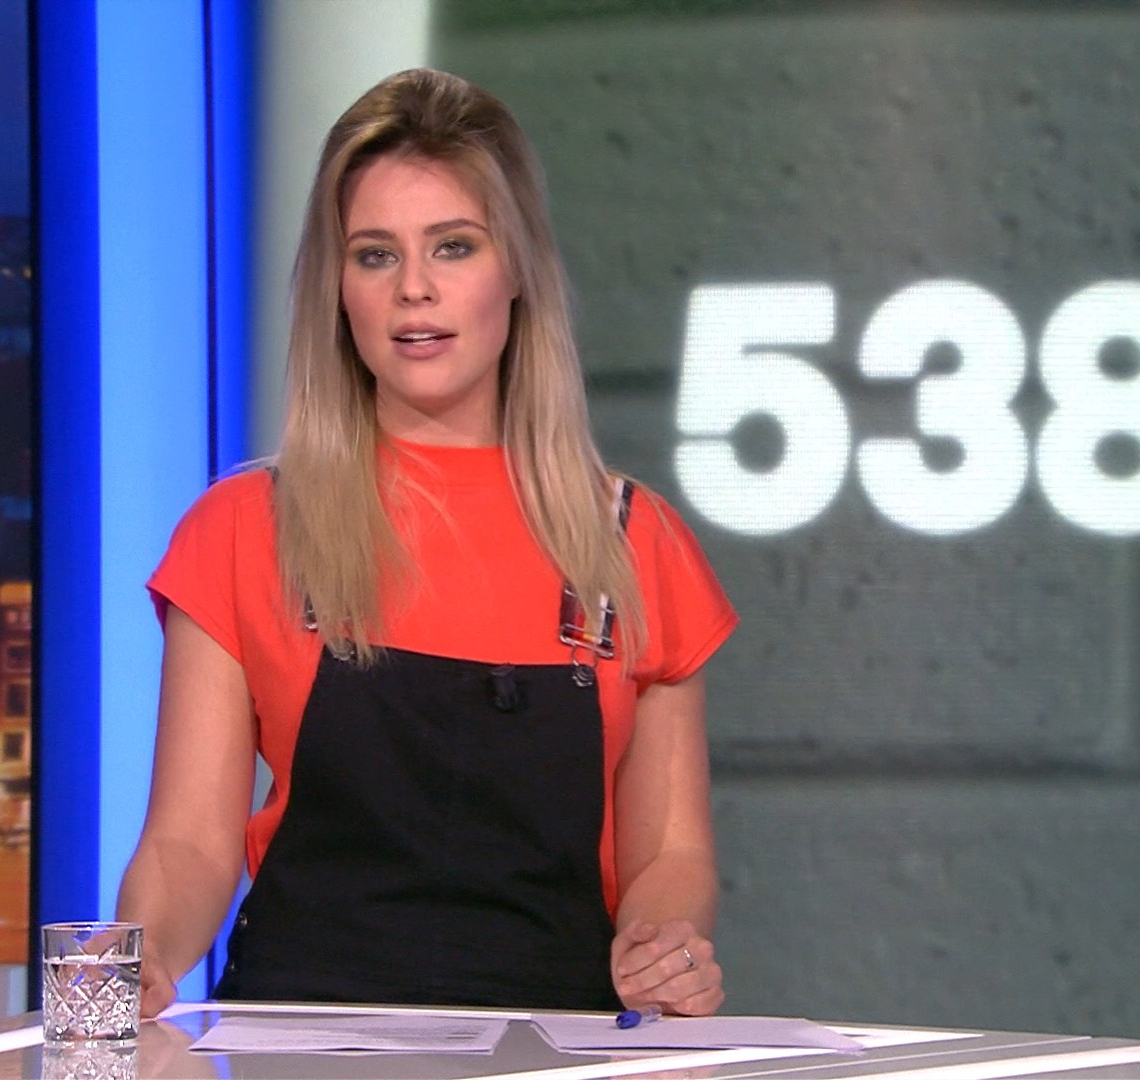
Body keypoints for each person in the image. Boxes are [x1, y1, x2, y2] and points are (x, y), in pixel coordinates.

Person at [116, 68, 737, 1019]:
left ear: (517, 269)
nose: (414, 289)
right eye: (374, 256)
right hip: (301, 1042)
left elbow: (672, 856)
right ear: (337, 292)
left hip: (553, 1046)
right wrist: (146, 957)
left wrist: (664, 949)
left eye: (453, 246)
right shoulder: (244, 528)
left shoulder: (631, 543)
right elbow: (188, 844)